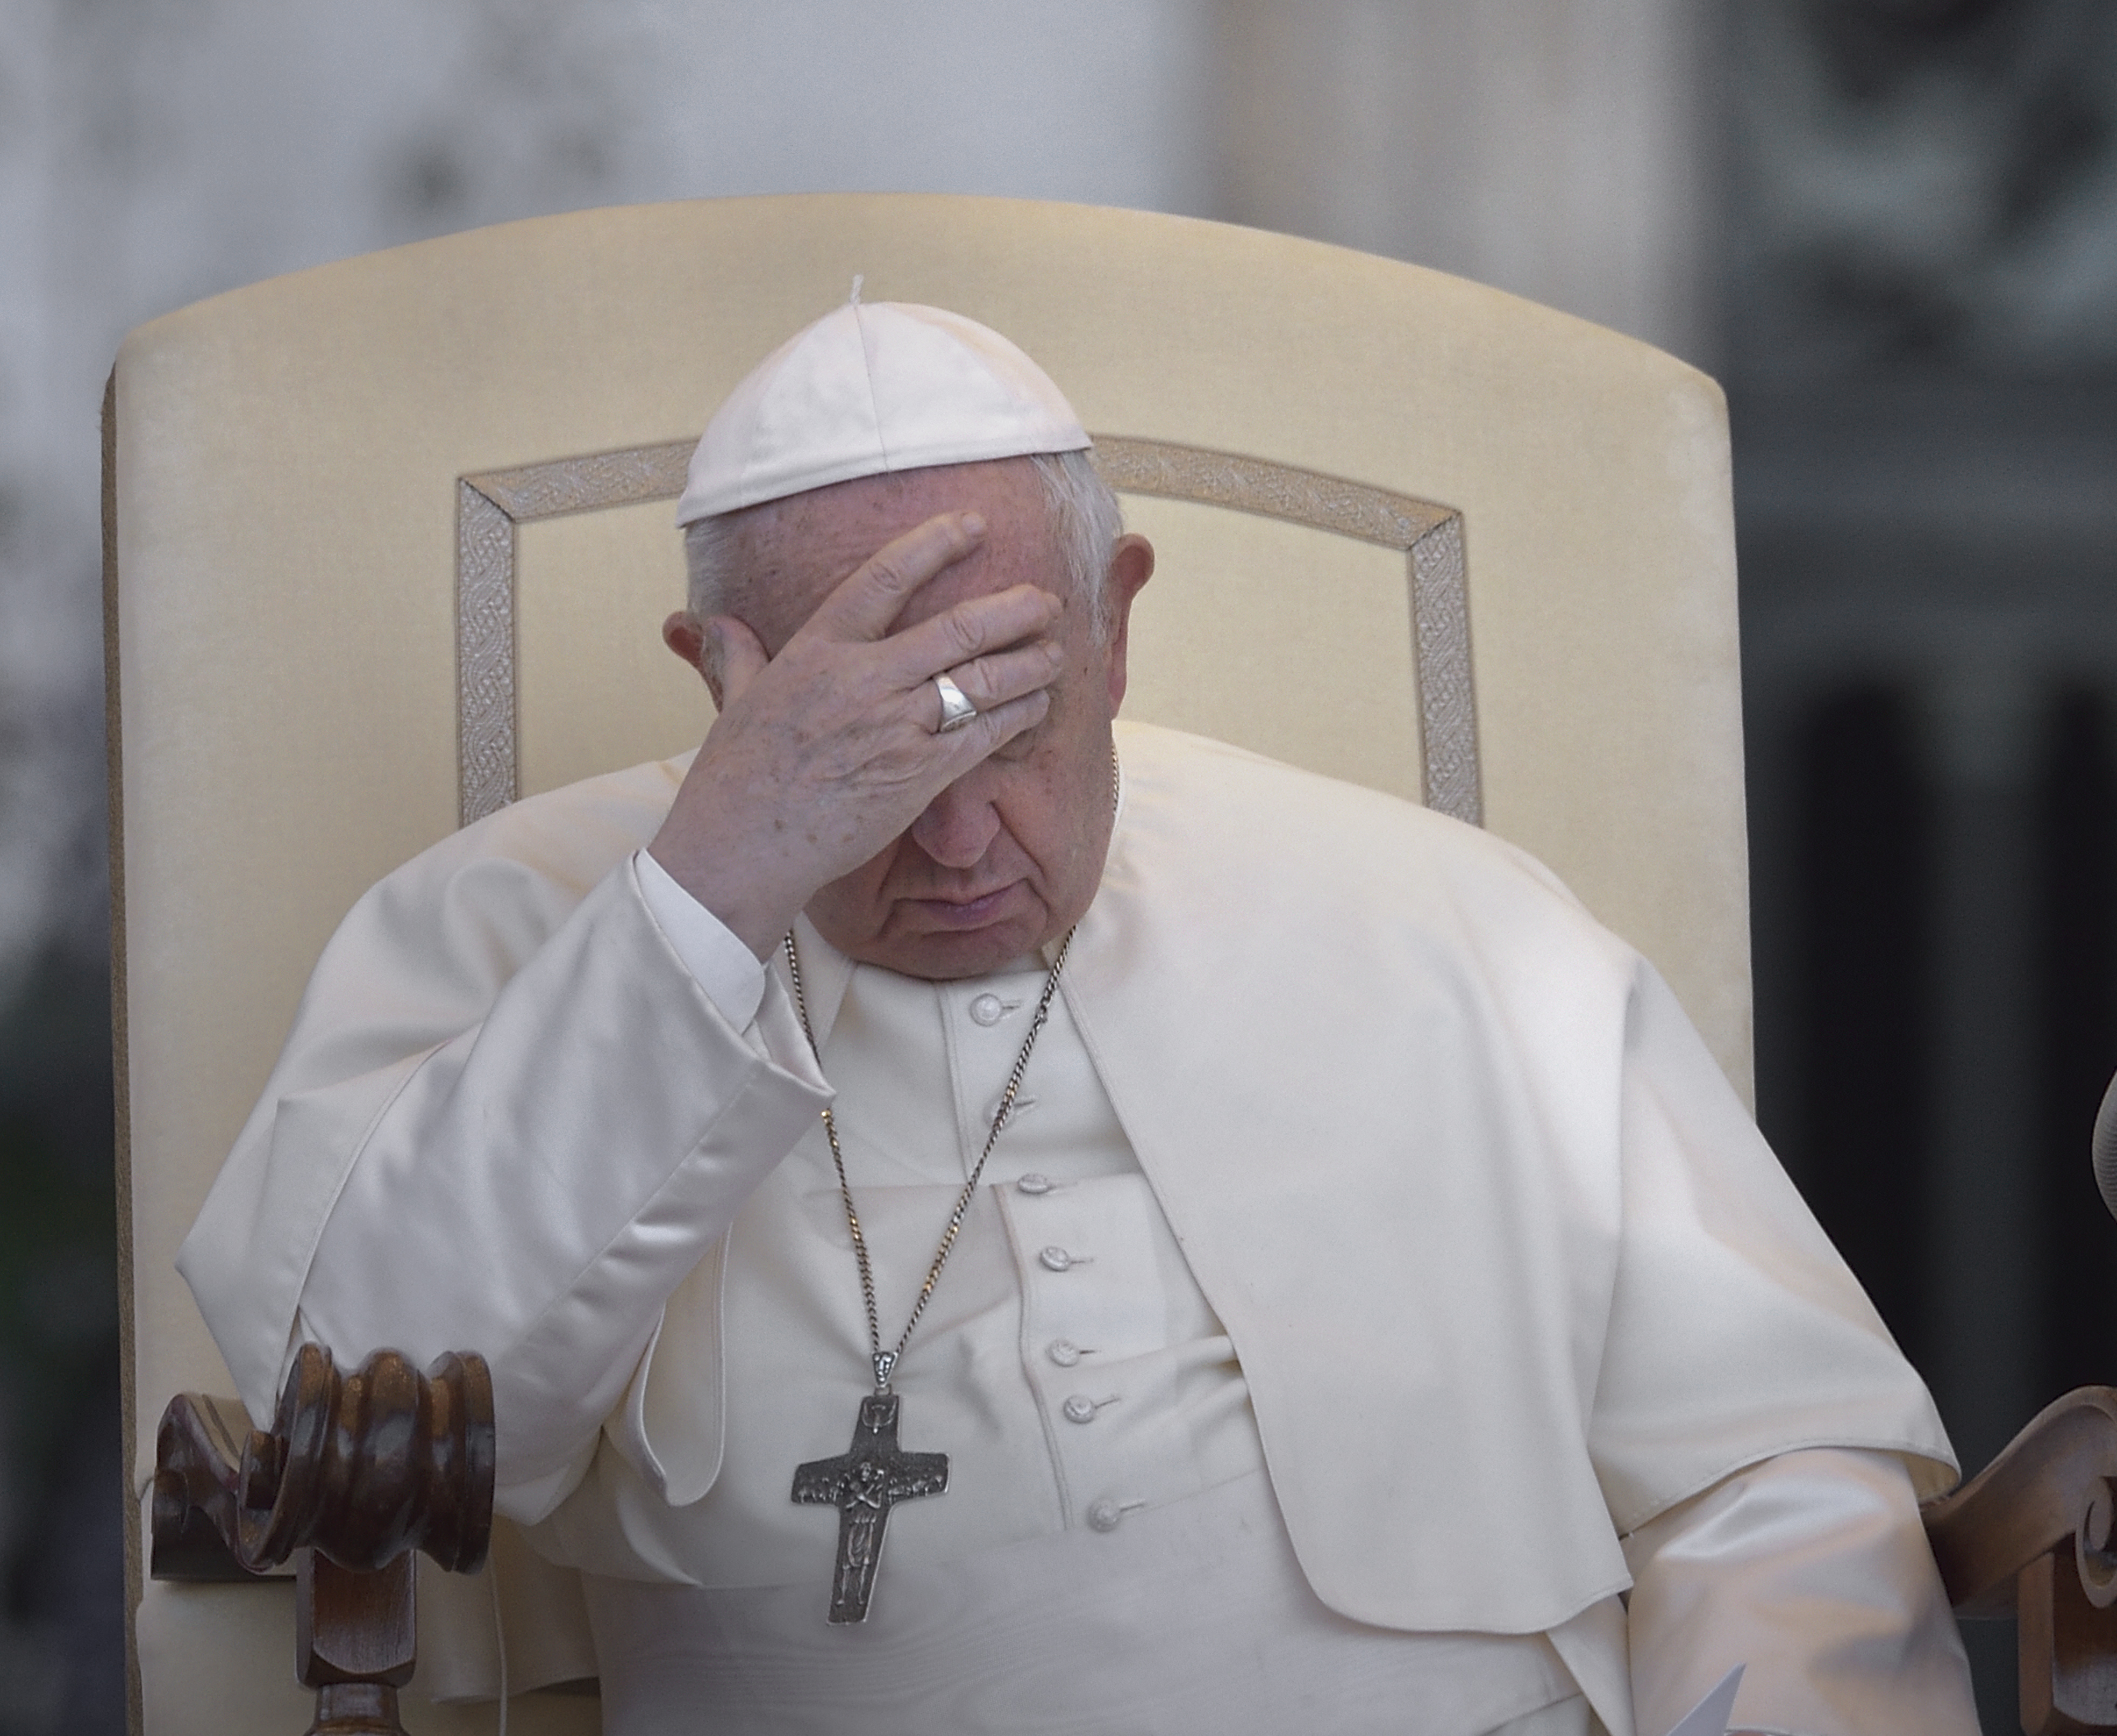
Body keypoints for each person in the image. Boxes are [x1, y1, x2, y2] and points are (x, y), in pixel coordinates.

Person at [180, 298, 1978, 1735]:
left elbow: (1771, 1471)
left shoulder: (1457, 931)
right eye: (874, 757)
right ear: (718, 678)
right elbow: (351, 1407)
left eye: (1013, 730)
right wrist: (713, 887)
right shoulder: (517, 923)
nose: (959, 837)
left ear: (1116, 628)